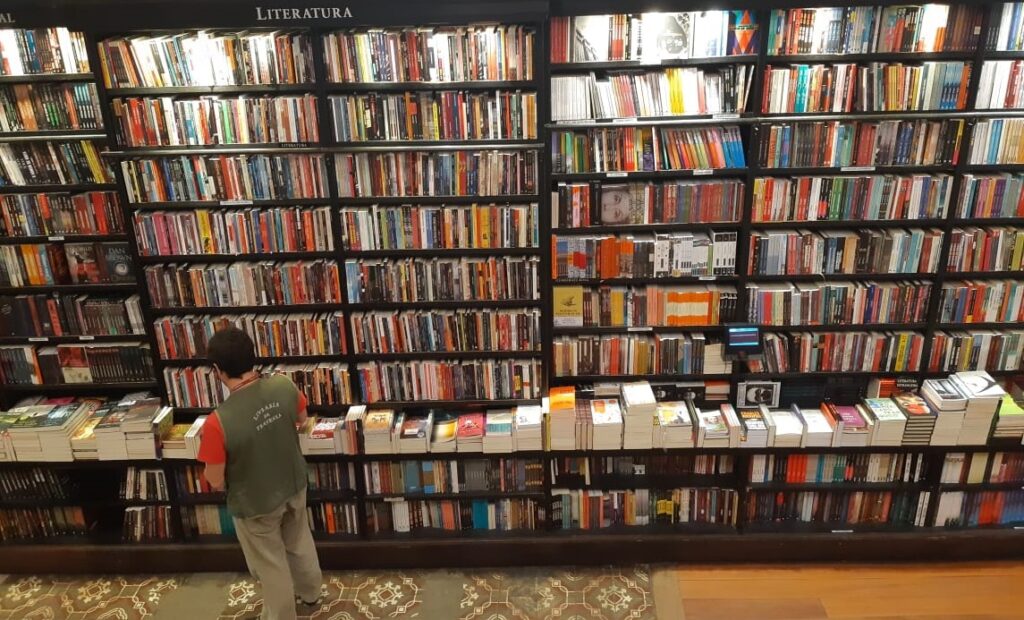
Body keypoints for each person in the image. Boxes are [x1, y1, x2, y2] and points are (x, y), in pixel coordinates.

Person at [197, 327, 323, 620]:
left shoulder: (217, 423)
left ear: (217, 370)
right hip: (294, 481)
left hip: (255, 502)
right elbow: (302, 418)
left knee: (271, 564)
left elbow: (214, 479)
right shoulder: (283, 384)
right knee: (300, 540)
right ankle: (311, 592)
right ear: (252, 356)